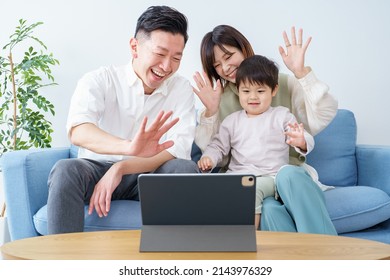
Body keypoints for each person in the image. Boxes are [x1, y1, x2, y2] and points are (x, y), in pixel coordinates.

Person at [47, 6, 199, 234]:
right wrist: (128, 147)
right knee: (65, 170)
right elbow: (79, 130)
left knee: (184, 169)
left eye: (176, 58)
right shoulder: (100, 79)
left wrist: (121, 167)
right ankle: (62, 265)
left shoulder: (181, 88)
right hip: (96, 169)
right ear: (135, 47)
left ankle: (172, 262)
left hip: (149, 174)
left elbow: (176, 150)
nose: (167, 67)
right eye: (160, 54)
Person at [193, 25, 338, 235]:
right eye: (217, 64)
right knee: (269, 210)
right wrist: (211, 111)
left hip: (281, 174)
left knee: (287, 175)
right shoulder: (219, 101)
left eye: (229, 56)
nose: (225, 67)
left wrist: (301, 73)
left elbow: (322, 115)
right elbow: (217, 151)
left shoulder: (281, 87)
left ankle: (325, 249)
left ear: (243, 48)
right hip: (246, 179)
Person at [198, 55, 314, 229]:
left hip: (270, 177)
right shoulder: (232, 121)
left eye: (260, 91)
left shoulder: (281, 116)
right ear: (238, 90)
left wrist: (301, 141)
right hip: (236, 177)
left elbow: (305, 137)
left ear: (273, 90)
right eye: (246, 91)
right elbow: (217, 146)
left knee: (251, 191)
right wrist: (209, 158)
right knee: (210, 193)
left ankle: (248, 238)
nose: (253, 97)